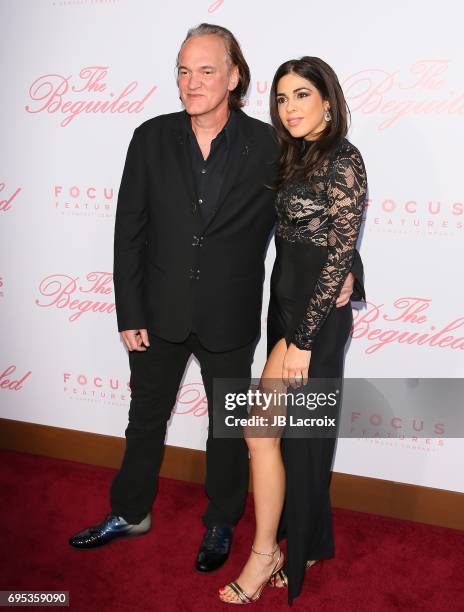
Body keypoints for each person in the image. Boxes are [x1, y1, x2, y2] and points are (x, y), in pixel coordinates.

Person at [68, 25, 365, 580]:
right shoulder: (149, 137)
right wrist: (128, 311)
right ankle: (130, 512)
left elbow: (318, 217)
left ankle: (222, 521)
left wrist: (351, 271)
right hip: (157, 313)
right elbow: (128, 230)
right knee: (143, 419)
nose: (192, 82)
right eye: (183, 70)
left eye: (206, 70)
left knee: (228, 429)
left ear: (234, 77)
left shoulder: (270, 146)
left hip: (231, 314)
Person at [219, 57, 367, 605]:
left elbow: (339, 251)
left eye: (302, 95)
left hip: (316, 317)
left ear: (327, 100)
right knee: (294, 440)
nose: (290, 108)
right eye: (281, 99)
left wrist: (303, 339)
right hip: (284, 306)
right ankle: (303, 541)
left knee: (263, 434)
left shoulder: (344, 159)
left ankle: (265, 554)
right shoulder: (296, 154)